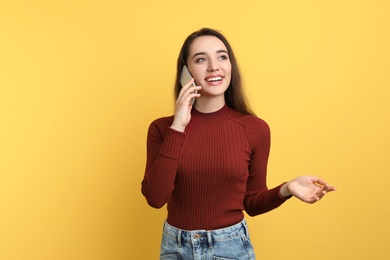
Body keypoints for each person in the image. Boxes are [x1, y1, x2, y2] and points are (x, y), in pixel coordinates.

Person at [141, 28, 336, 260]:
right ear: (186, 71)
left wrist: (287, 189)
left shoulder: (255, 129)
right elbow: (155, 197)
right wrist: (179, 126)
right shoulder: (163, 130)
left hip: (230, 247)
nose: (214, 66)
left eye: (222, 57)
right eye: (201, 59)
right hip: (176, 249)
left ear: (230, 66)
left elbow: (251, 203)